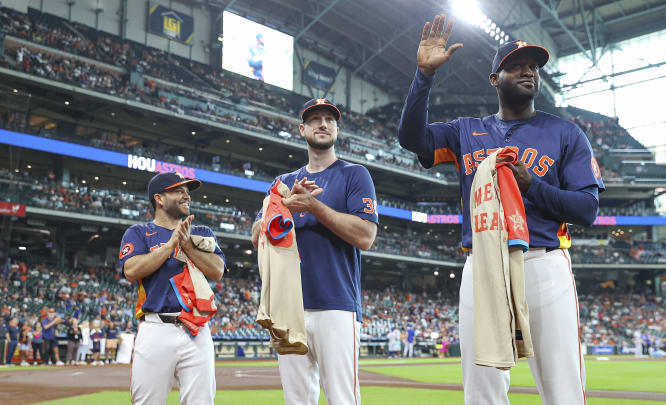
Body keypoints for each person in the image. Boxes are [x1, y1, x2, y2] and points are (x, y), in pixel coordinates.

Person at [398, 14, 604, 405]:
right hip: (483, 263)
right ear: (495, 78)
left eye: (533, 66)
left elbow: (587, 210)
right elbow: (412, 139)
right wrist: (423, 75)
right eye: (515, 65)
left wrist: (534, 186)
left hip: (544, 262)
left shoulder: (565, 133)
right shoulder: (465, 130)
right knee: (481, 389)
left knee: (563, 387)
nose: (527, 71)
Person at [251, 98, 378, 405]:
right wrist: (285, 207)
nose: (323, 124)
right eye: (315, 119)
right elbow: (256, 237)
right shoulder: (283, 183)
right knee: (296, 400)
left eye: (329, 120)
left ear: (337, 129)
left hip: (336, 304)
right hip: (288, 307)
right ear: (301, 129)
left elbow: (366, 235)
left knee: (342, 398)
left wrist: (313, 206)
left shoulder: (354, 174)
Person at [120, 171, 225, 405]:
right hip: (155, 328)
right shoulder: (139, 233)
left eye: (187, 192)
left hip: (196, 329)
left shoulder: (202, 233)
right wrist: (170, 246)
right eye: (178, 191)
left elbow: (217, 270)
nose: (186, 196)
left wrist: (187, 245)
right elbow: (131, 270)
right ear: (159, 198)